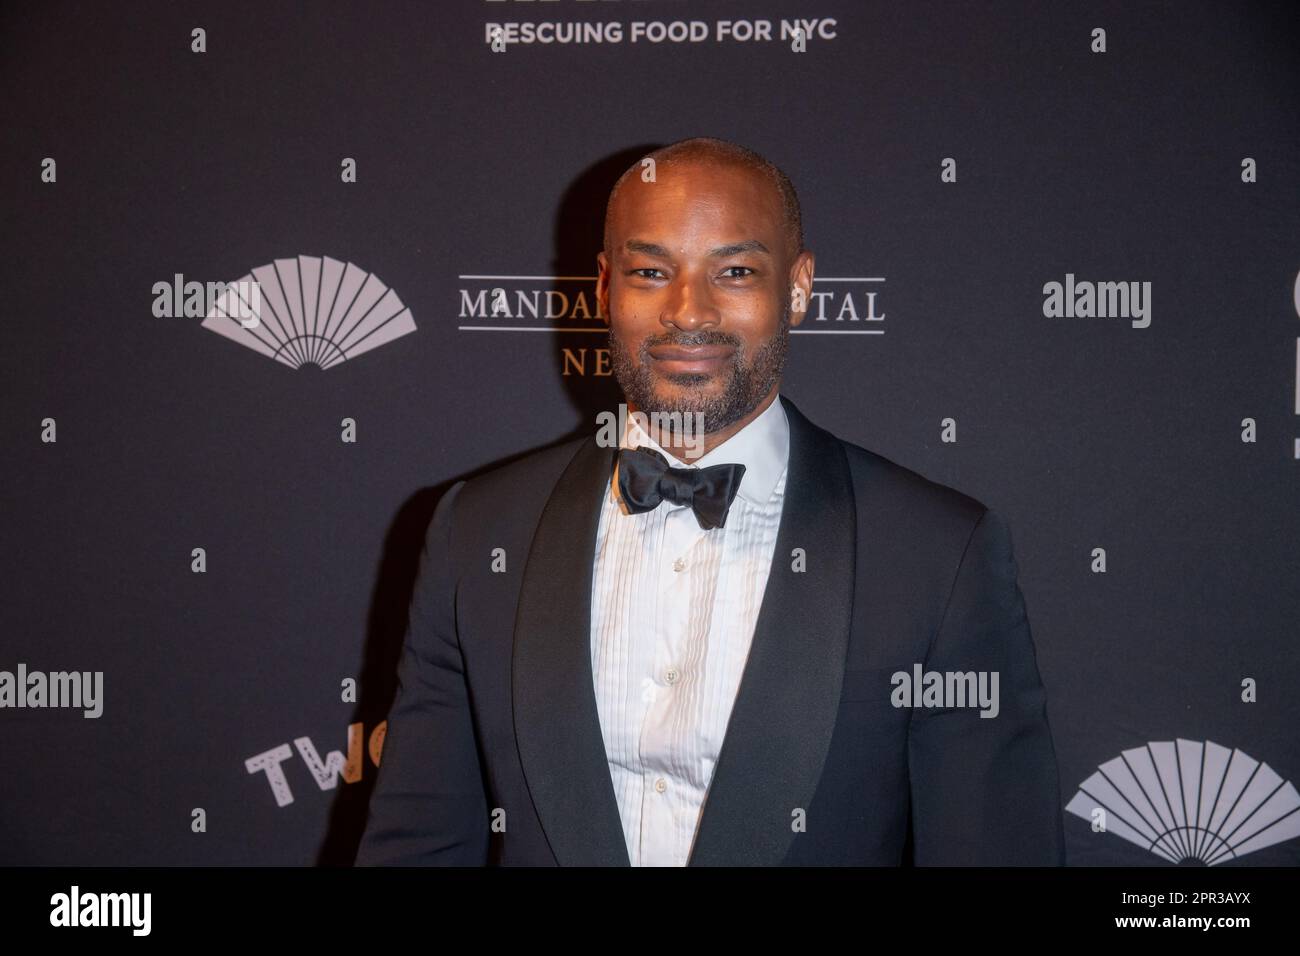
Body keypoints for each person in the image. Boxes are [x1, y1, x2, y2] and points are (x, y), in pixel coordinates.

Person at [355, 137, 1064, 866]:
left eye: (734, 271)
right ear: (604, 289)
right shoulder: (478, 531)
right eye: (650, 270)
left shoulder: (938, 553)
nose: (686, 312)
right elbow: (418, 846)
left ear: (798, 286)